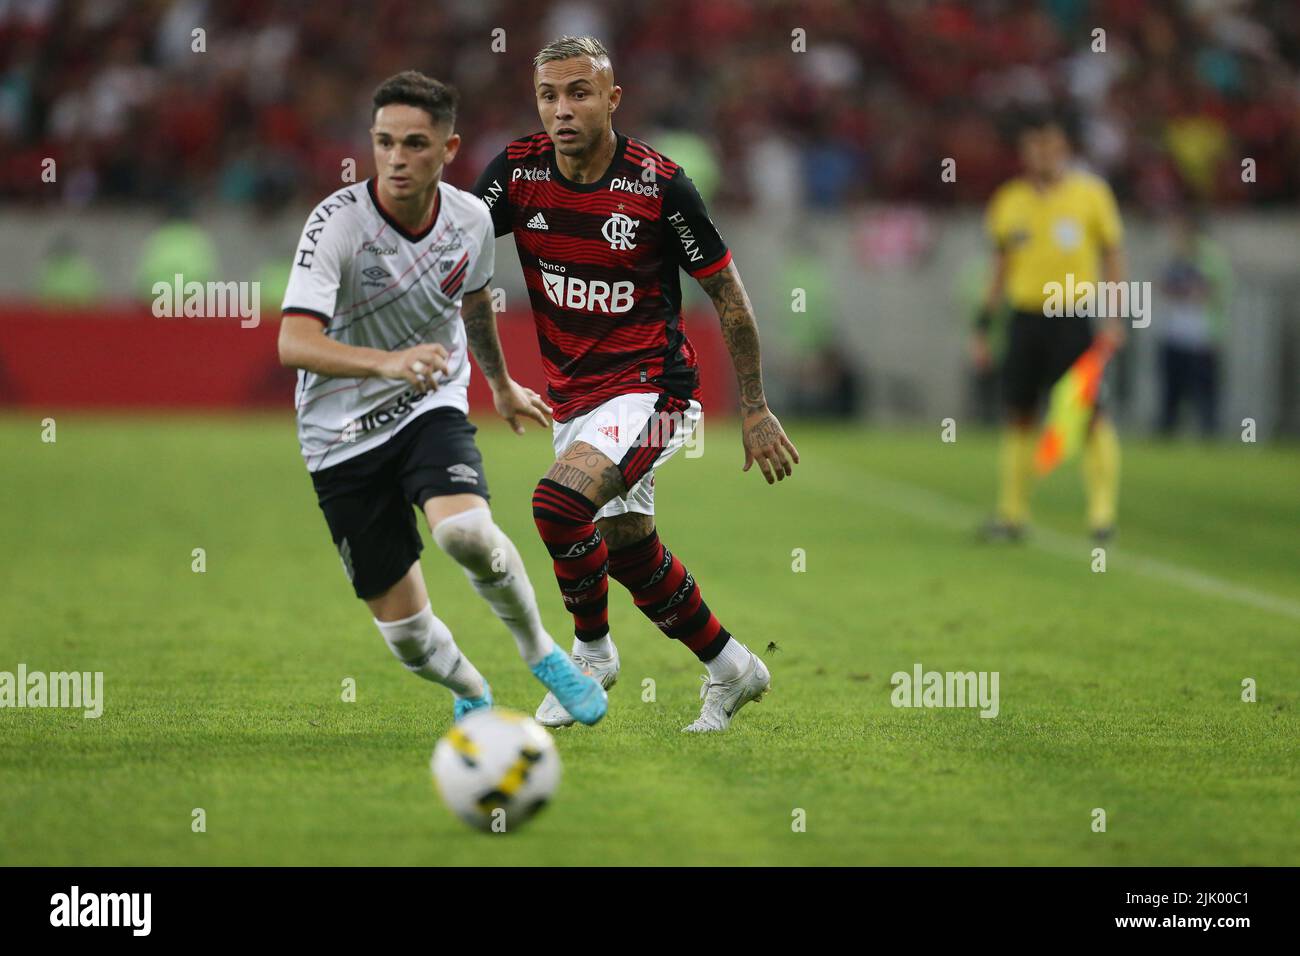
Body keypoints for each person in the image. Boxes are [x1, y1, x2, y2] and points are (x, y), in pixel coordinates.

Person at [470, 36, 800, 733]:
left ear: (611, 99)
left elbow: (729, 297)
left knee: (558, 508)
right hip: (577, 398)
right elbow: (460, 256)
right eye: (549, 95)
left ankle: (590, 655)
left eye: (579, 92)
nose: (562, 109)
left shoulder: (658, 186)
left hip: (656, 392)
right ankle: (733, 667)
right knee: (626, 548)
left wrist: (756, 405)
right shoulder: (518, 173)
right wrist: (495, 377)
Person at [277, 71, 607, 726]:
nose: (398, 159)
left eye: (416, 144)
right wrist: (389, 362)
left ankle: (542, 654)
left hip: (428, 401)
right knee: (407, 637)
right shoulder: (336, 224)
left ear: (449, 150)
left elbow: (476, 299)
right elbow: (292, 341)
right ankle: (469, 688)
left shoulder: (472, 218)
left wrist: (500, 384)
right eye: (385, 142)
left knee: (467, 534)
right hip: (337, 433)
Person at [972, 110, 1126, 542]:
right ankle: (1012, 515)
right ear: (1024, 152)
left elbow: (1113, 257)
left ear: (1065, 149)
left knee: (1090, 414)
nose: (1044, 153)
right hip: (1025, 319)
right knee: (1019, 414)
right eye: (1035, 145)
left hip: (1072, 318)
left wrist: (1116, 316)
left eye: (1051, 145)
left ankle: (1101, 515)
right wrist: (984, 328)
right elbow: (999, 270)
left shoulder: (1091, 195)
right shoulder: (1009, 201)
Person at [1155, 211, 1232, 437]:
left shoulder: (1209, 256)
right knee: (1172, 389)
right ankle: (1167, 431)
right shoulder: (1175, 257)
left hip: (1201, 336)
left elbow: (1208, 289)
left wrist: (1187, 289)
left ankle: (1209, 433)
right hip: (1175, 333)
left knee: (1204, 391)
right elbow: (1165, 286)